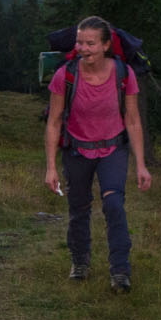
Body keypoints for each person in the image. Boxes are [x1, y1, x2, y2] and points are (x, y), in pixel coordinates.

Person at [43, 16, 152, 292]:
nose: (83, 48)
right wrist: (51, 167)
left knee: (114, 205)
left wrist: (141, 164)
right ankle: (80, 261)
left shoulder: (123, 74)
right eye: (79, 42)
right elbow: (54, 122)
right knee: (78, 208)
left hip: (113, 148)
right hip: (77, 151)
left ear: (105, 45)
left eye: (90, 43)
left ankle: (120, 271)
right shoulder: (65, 76)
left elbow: (133, 119)